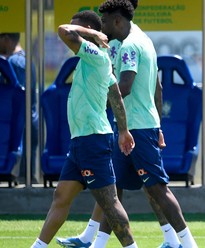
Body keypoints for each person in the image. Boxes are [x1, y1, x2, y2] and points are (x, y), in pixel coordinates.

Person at [57, 1, 196, 248]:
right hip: (137, 127)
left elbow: (126, 87)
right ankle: (95, 242)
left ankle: (187, 243)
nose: (104, 27)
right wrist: (159, 125)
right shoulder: (143, 39)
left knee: (157, 189)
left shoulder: (130, 46)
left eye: (106, 22)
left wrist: (97, 104)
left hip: (138, 129)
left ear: (118, 21)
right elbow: (157, 87)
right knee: (113, 190)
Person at [31, 10, 137, 248]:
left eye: (79, 27)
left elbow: (63, 31)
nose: (73, 30)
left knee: (109, 203)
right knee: (61, 197)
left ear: (90, 31)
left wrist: (90, 32)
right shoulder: (93, 59)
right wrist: (123, 130)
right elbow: (116, 96)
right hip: (80, 141)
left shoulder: (96, 55)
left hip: (93, 140)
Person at [0, 32, 38, 185]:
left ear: (6, 39)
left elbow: (18, 99)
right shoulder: (26, 60)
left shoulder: (14, 62)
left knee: (21, 179)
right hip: (29, 120)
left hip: (20, 125)